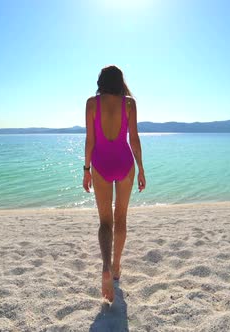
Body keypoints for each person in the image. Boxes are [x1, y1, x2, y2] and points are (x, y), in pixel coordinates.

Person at [83, 65, 146, 302]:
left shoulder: (92, 103)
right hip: (124, 161)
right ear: (120, 81)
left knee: (105, 222)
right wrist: (141, 168)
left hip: (101, 162)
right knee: (121, 218)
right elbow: (134, 138)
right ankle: (117, 267)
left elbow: (90, 139)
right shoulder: (129, 103)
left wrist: (86, 169)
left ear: (100, 81)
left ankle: (106, 267)